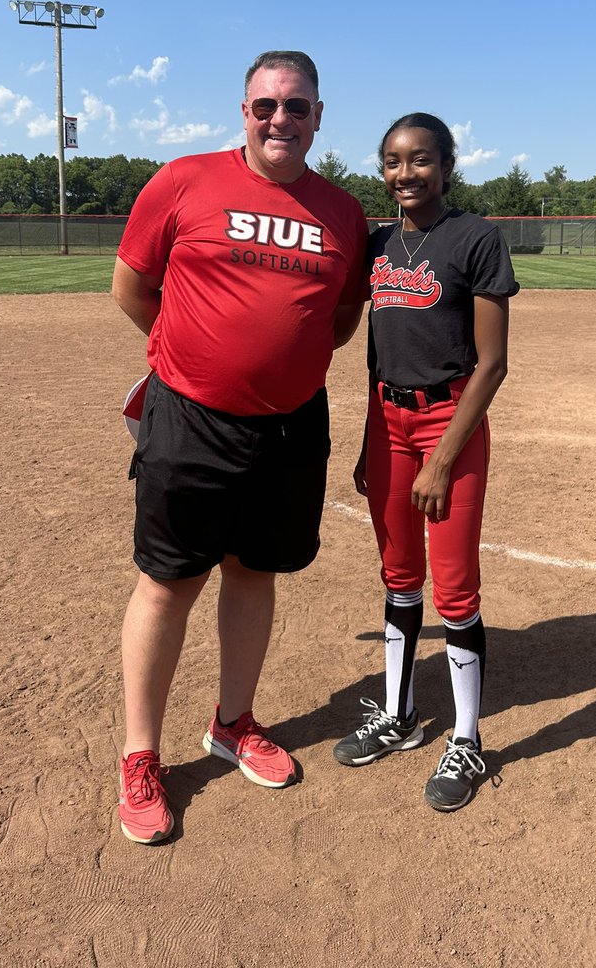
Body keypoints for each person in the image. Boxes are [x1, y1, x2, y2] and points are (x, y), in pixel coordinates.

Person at [113, 51, 367, 843]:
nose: (279, 120)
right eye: (265, 106)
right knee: (168, 582)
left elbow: (339, 320)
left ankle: (233, 723)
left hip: (291, 426)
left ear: (319, 116)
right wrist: (191, 358)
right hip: (191, 421)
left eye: (296, 107)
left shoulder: (344, 213)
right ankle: (141, 756)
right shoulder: (184, 180)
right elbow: (131, 285)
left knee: (255, 574)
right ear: (244, 111)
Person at [333, 112, 519, 811]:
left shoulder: (475, 238)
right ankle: (401, 715)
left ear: (446, 165)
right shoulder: (380, 245)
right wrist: (367, 437)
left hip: (451, 420)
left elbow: (494, 364)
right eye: (391, 161)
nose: (404, 174)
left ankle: (466, 739)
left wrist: (440, 459)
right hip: (389, 421)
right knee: (399, 576)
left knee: (456, 586)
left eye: (419, 160)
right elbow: (378, 354)